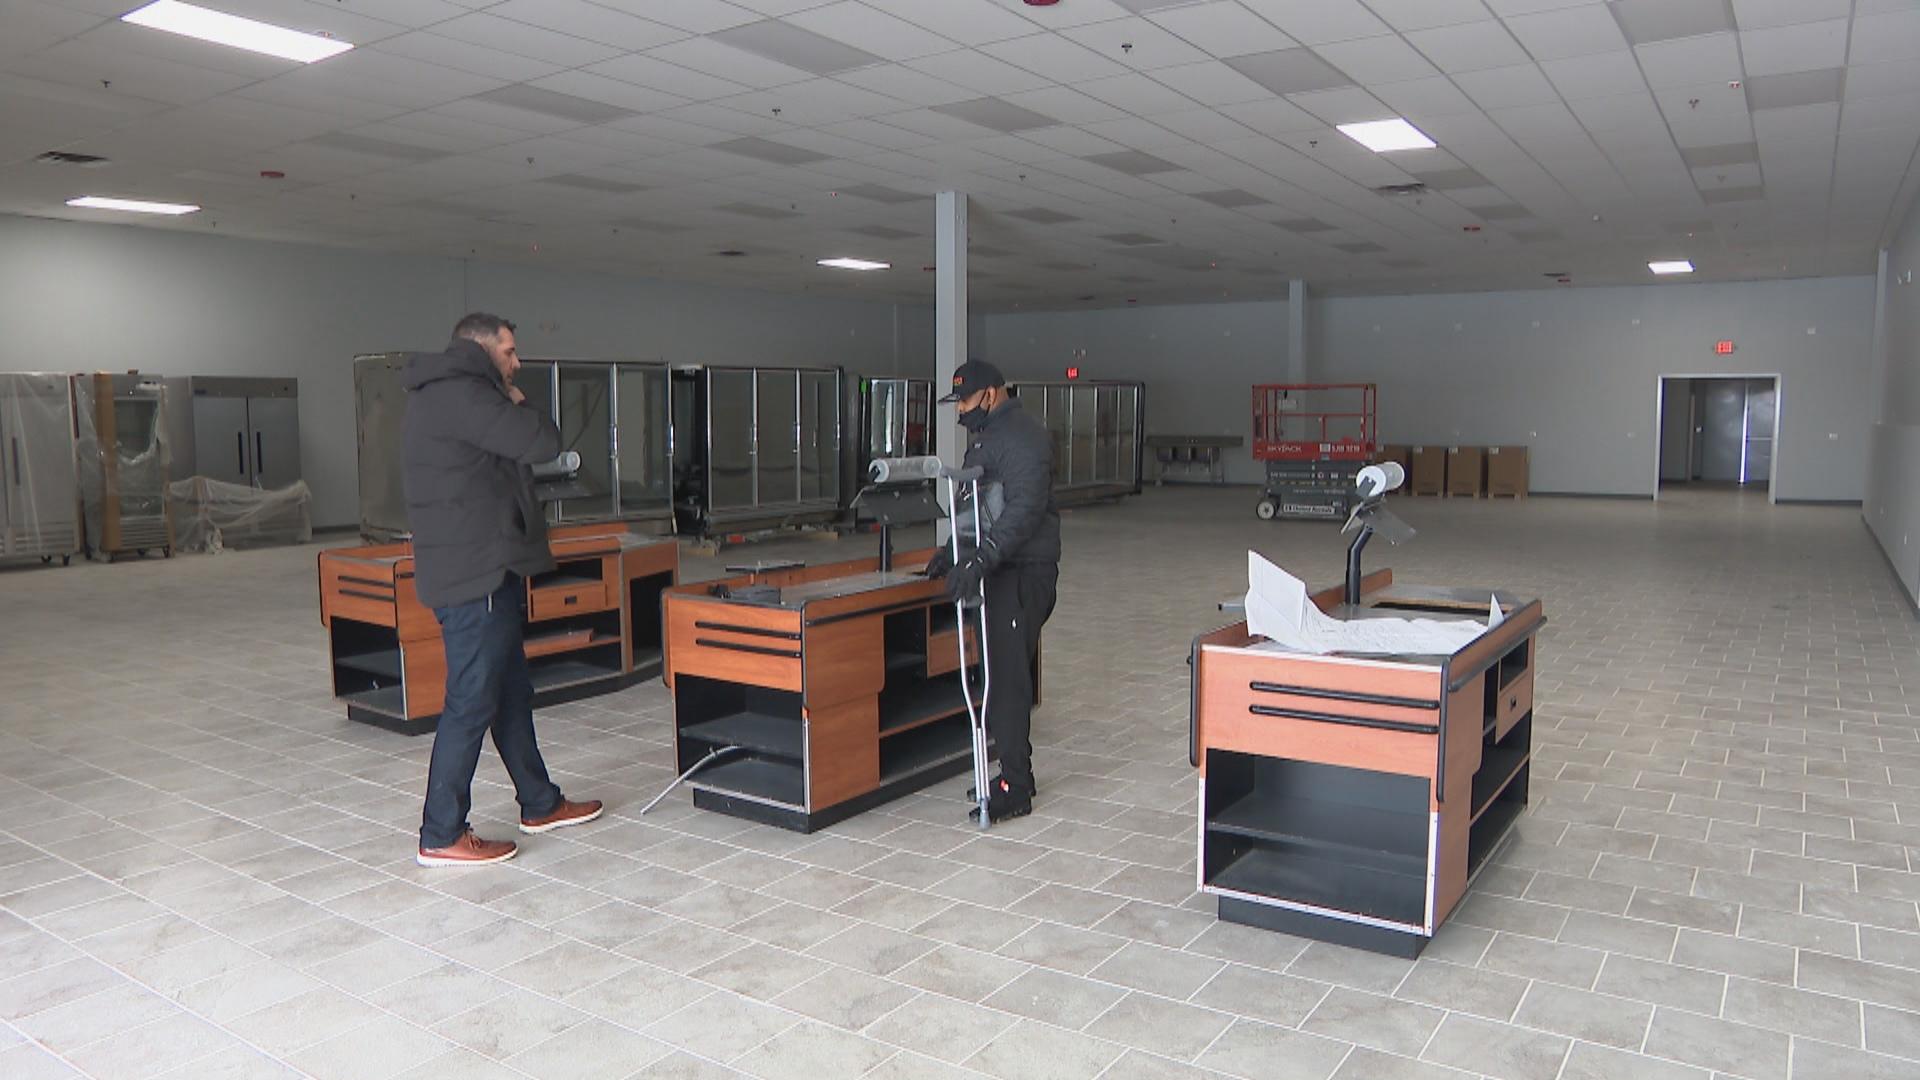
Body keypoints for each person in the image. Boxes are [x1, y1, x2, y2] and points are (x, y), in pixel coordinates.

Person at [403, 313, 602, 866]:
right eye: (510, 352)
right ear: (482, 349)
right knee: (471, 699)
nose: (517, 362)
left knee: (510, 691)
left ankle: (539, 802)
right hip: (477, 574)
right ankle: (440, 832)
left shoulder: (444, 394)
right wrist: (517, 400)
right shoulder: (466, 395)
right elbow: (541, 441)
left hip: (476, 568)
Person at [925, 360, 1060, 823]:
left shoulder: (1023, 436)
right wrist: (952, 549)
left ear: (990, 395)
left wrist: (983, 558)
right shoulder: (986, 438)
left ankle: (1015, 788)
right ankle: (1010, 773)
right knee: (998, 676)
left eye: (964, 401)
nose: (960, 410)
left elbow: (1025, 508)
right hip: (999, 569)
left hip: (1023, 571)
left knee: (1007, 682)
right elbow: (975, 504)